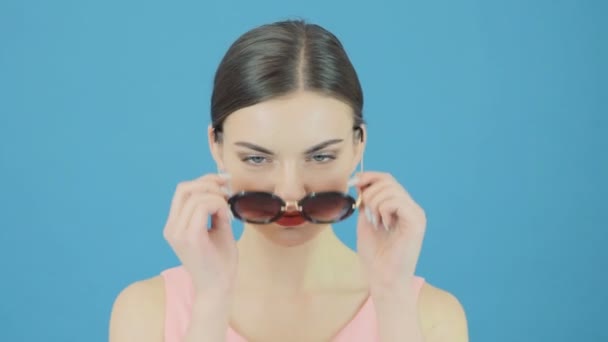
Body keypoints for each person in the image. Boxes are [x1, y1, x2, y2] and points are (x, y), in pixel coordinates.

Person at [109, 19, 468, 342]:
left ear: (359, 144)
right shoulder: (147, 312)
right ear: (216, 147)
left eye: (320, 156)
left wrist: (392, 298)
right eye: (257, 158)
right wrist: (211, 301)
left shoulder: (431, 316)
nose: (291, 191)